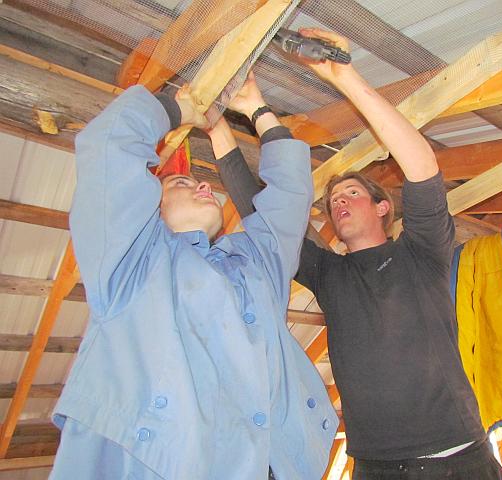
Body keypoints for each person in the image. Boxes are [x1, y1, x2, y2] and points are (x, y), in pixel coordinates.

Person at [214, 30, 502, 479]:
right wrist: (229, 122)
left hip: (453, 458)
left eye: (351, 192)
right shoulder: (328, 273)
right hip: (372, 465)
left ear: (383, 207)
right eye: (332, 200)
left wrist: (344, 76)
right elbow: (262, 213)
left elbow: (422, 166)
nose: (339, 201)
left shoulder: (423, 252)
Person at [50, 74, 338, 480]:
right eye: (181, 182)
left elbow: (289, 200)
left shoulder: (252, 264)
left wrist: (258, 110)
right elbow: (109, 145)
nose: (204, 184)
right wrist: (179, 109)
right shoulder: (131, 261)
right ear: (150, 206)